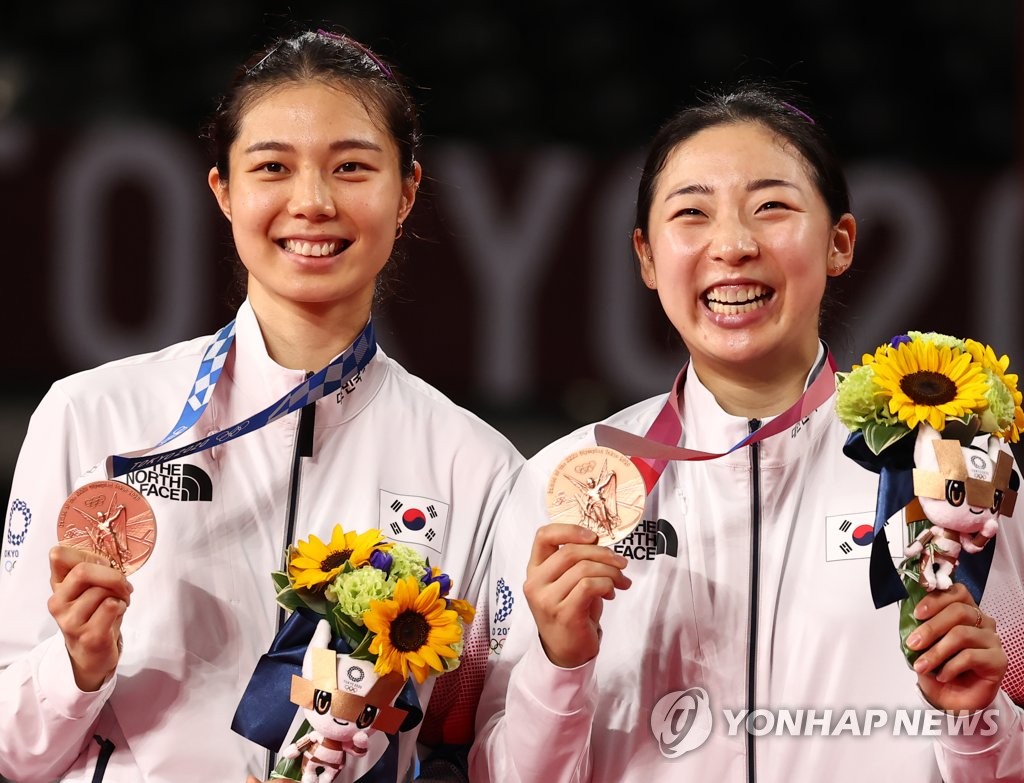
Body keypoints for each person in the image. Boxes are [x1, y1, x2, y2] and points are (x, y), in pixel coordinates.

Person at [0, 29, 523, 783]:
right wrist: (77, 668)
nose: (311, 202)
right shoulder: (94, 418)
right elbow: (14, 752)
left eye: (351, 168)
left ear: (407, 191)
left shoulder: (476, 466)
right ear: (224, 191)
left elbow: (471, 747)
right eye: (272, 167)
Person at [470, 82, 1024, 781]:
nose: (731, 245)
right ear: (646, 256)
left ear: (840, 242)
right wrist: (560, 660)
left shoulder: (953, 473)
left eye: (772, 207)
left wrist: (975, 720)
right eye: (691, 213)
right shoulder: (569, 478)